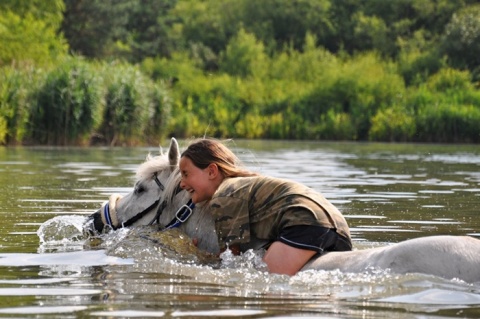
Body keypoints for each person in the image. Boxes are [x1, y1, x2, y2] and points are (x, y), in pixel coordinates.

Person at [179, 138, 352, 275]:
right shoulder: (244, 186)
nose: (181, 184)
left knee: (264, 281)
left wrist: (195, 257)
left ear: (211, 171)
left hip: (305, 223)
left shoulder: (224, 194)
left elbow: (231, 261)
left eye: (186, 174)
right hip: (339, 228)